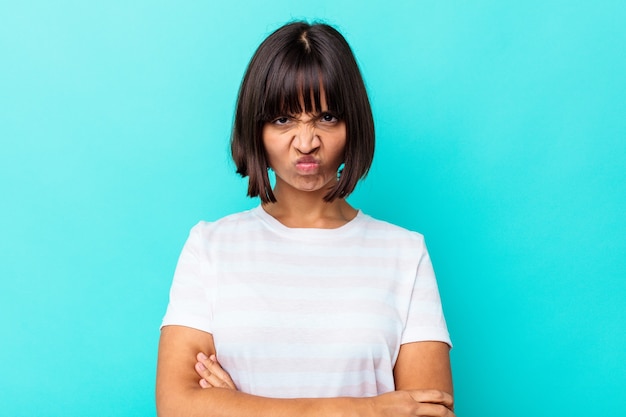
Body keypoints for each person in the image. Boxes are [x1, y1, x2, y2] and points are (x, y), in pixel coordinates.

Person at [156, 21, 455, 417]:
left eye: (327, 117)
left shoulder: (404, 253)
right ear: (256, 128)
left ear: (353, 125)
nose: (306, 141)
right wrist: (368, 410)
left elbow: (429, 412)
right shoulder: (210, 247)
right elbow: (178, 407)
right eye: (283, 120)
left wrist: (236, 406)